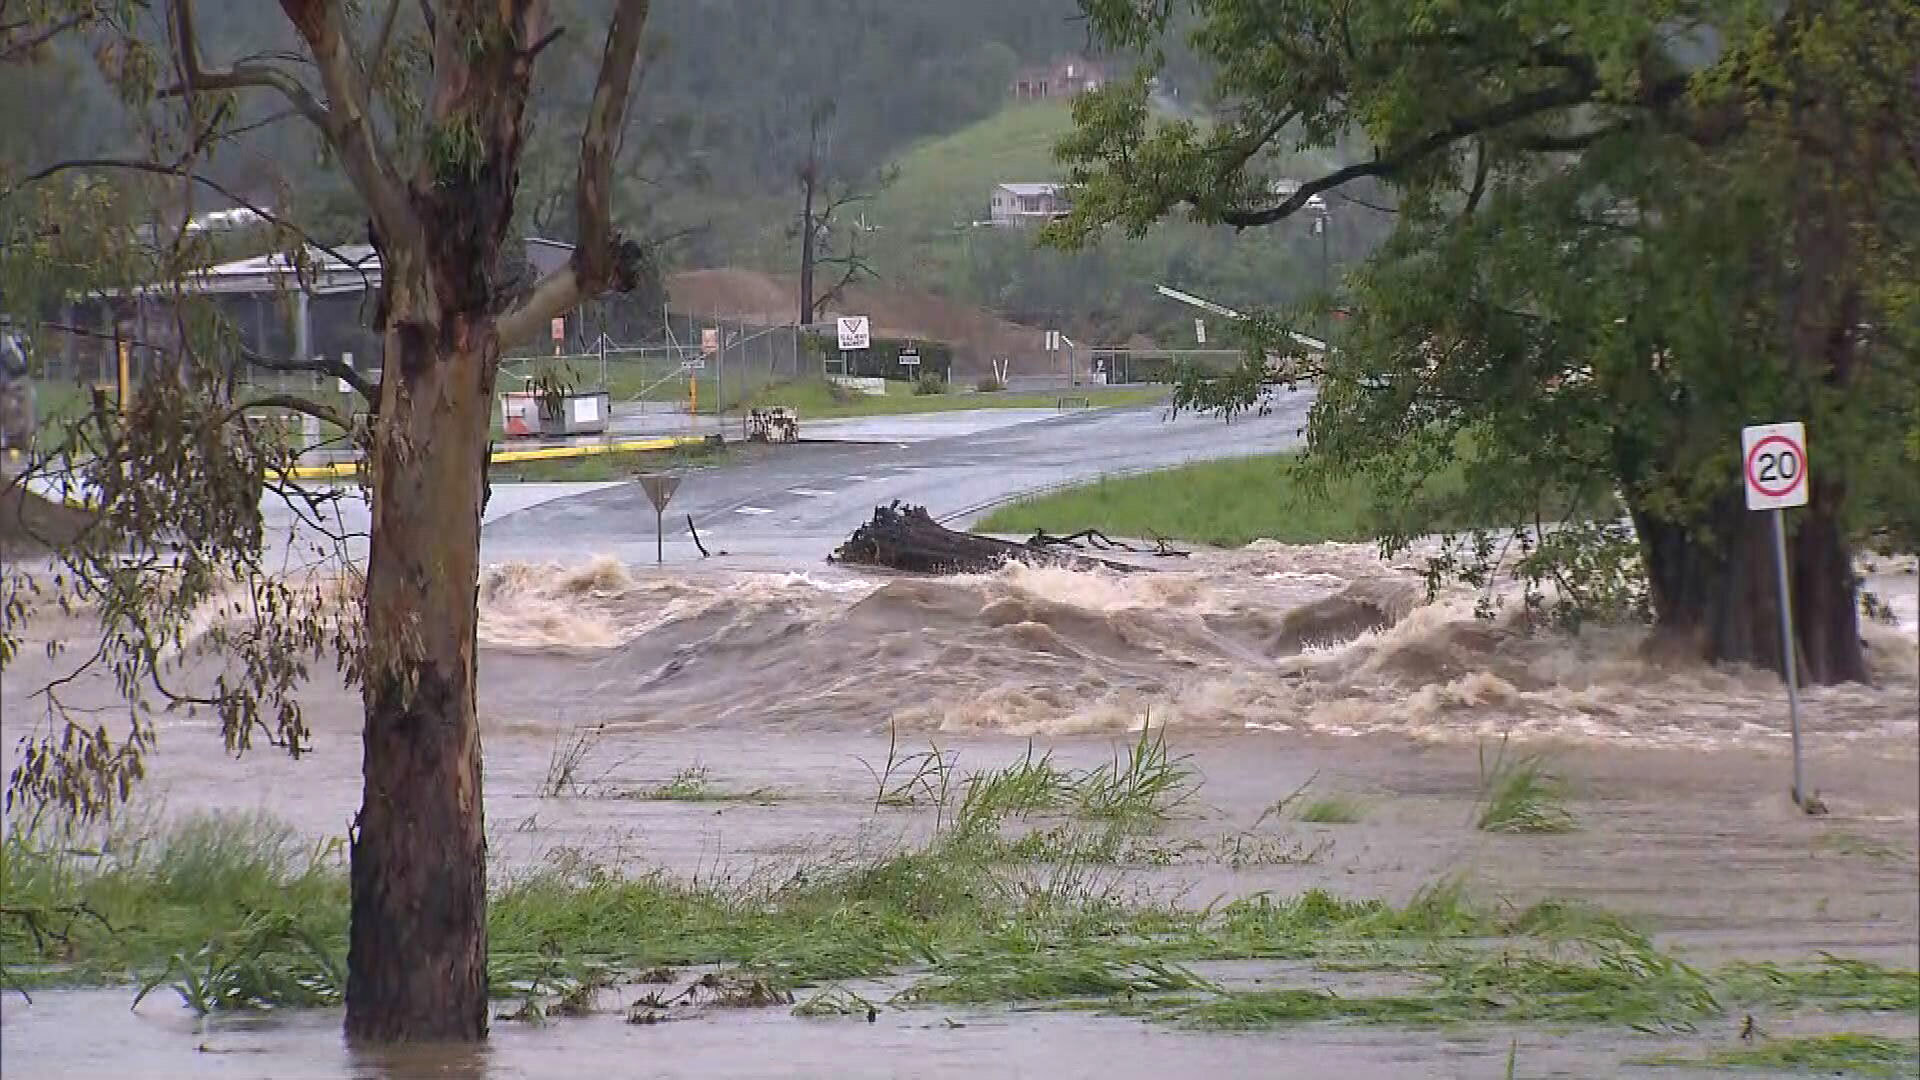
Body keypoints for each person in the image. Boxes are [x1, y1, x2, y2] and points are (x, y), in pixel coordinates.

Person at [0, 317, 36, 458]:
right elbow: (19, 365)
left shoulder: (8, 340)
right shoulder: (5, 341)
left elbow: (18, 366)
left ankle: (17, 442)